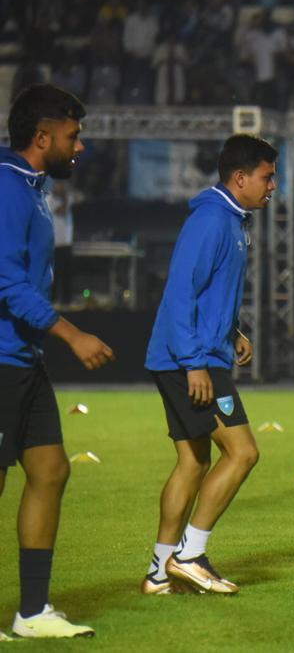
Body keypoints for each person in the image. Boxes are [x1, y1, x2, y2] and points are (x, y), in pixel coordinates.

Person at [0, 84, 115, 639]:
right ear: (41, 136)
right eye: (73, 136)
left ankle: (32, 613)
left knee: (51, 470)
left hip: (23, 357)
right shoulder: (6, 187)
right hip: (0, 360)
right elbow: (6, 284)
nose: (80, 147)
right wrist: (72, 333)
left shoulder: (34, 188)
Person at [143, 134, 278, 596]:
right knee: (243, 453)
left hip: (190, 353)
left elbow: (210, 292)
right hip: (189, 359)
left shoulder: (232, 220)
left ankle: (160, 572)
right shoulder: (212, 219)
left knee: (193, 461)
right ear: (240, 178)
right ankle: (191, 554)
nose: (273, 186)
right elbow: (181, 290)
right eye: (267, 177)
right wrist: (195, 362)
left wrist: (234, 329)